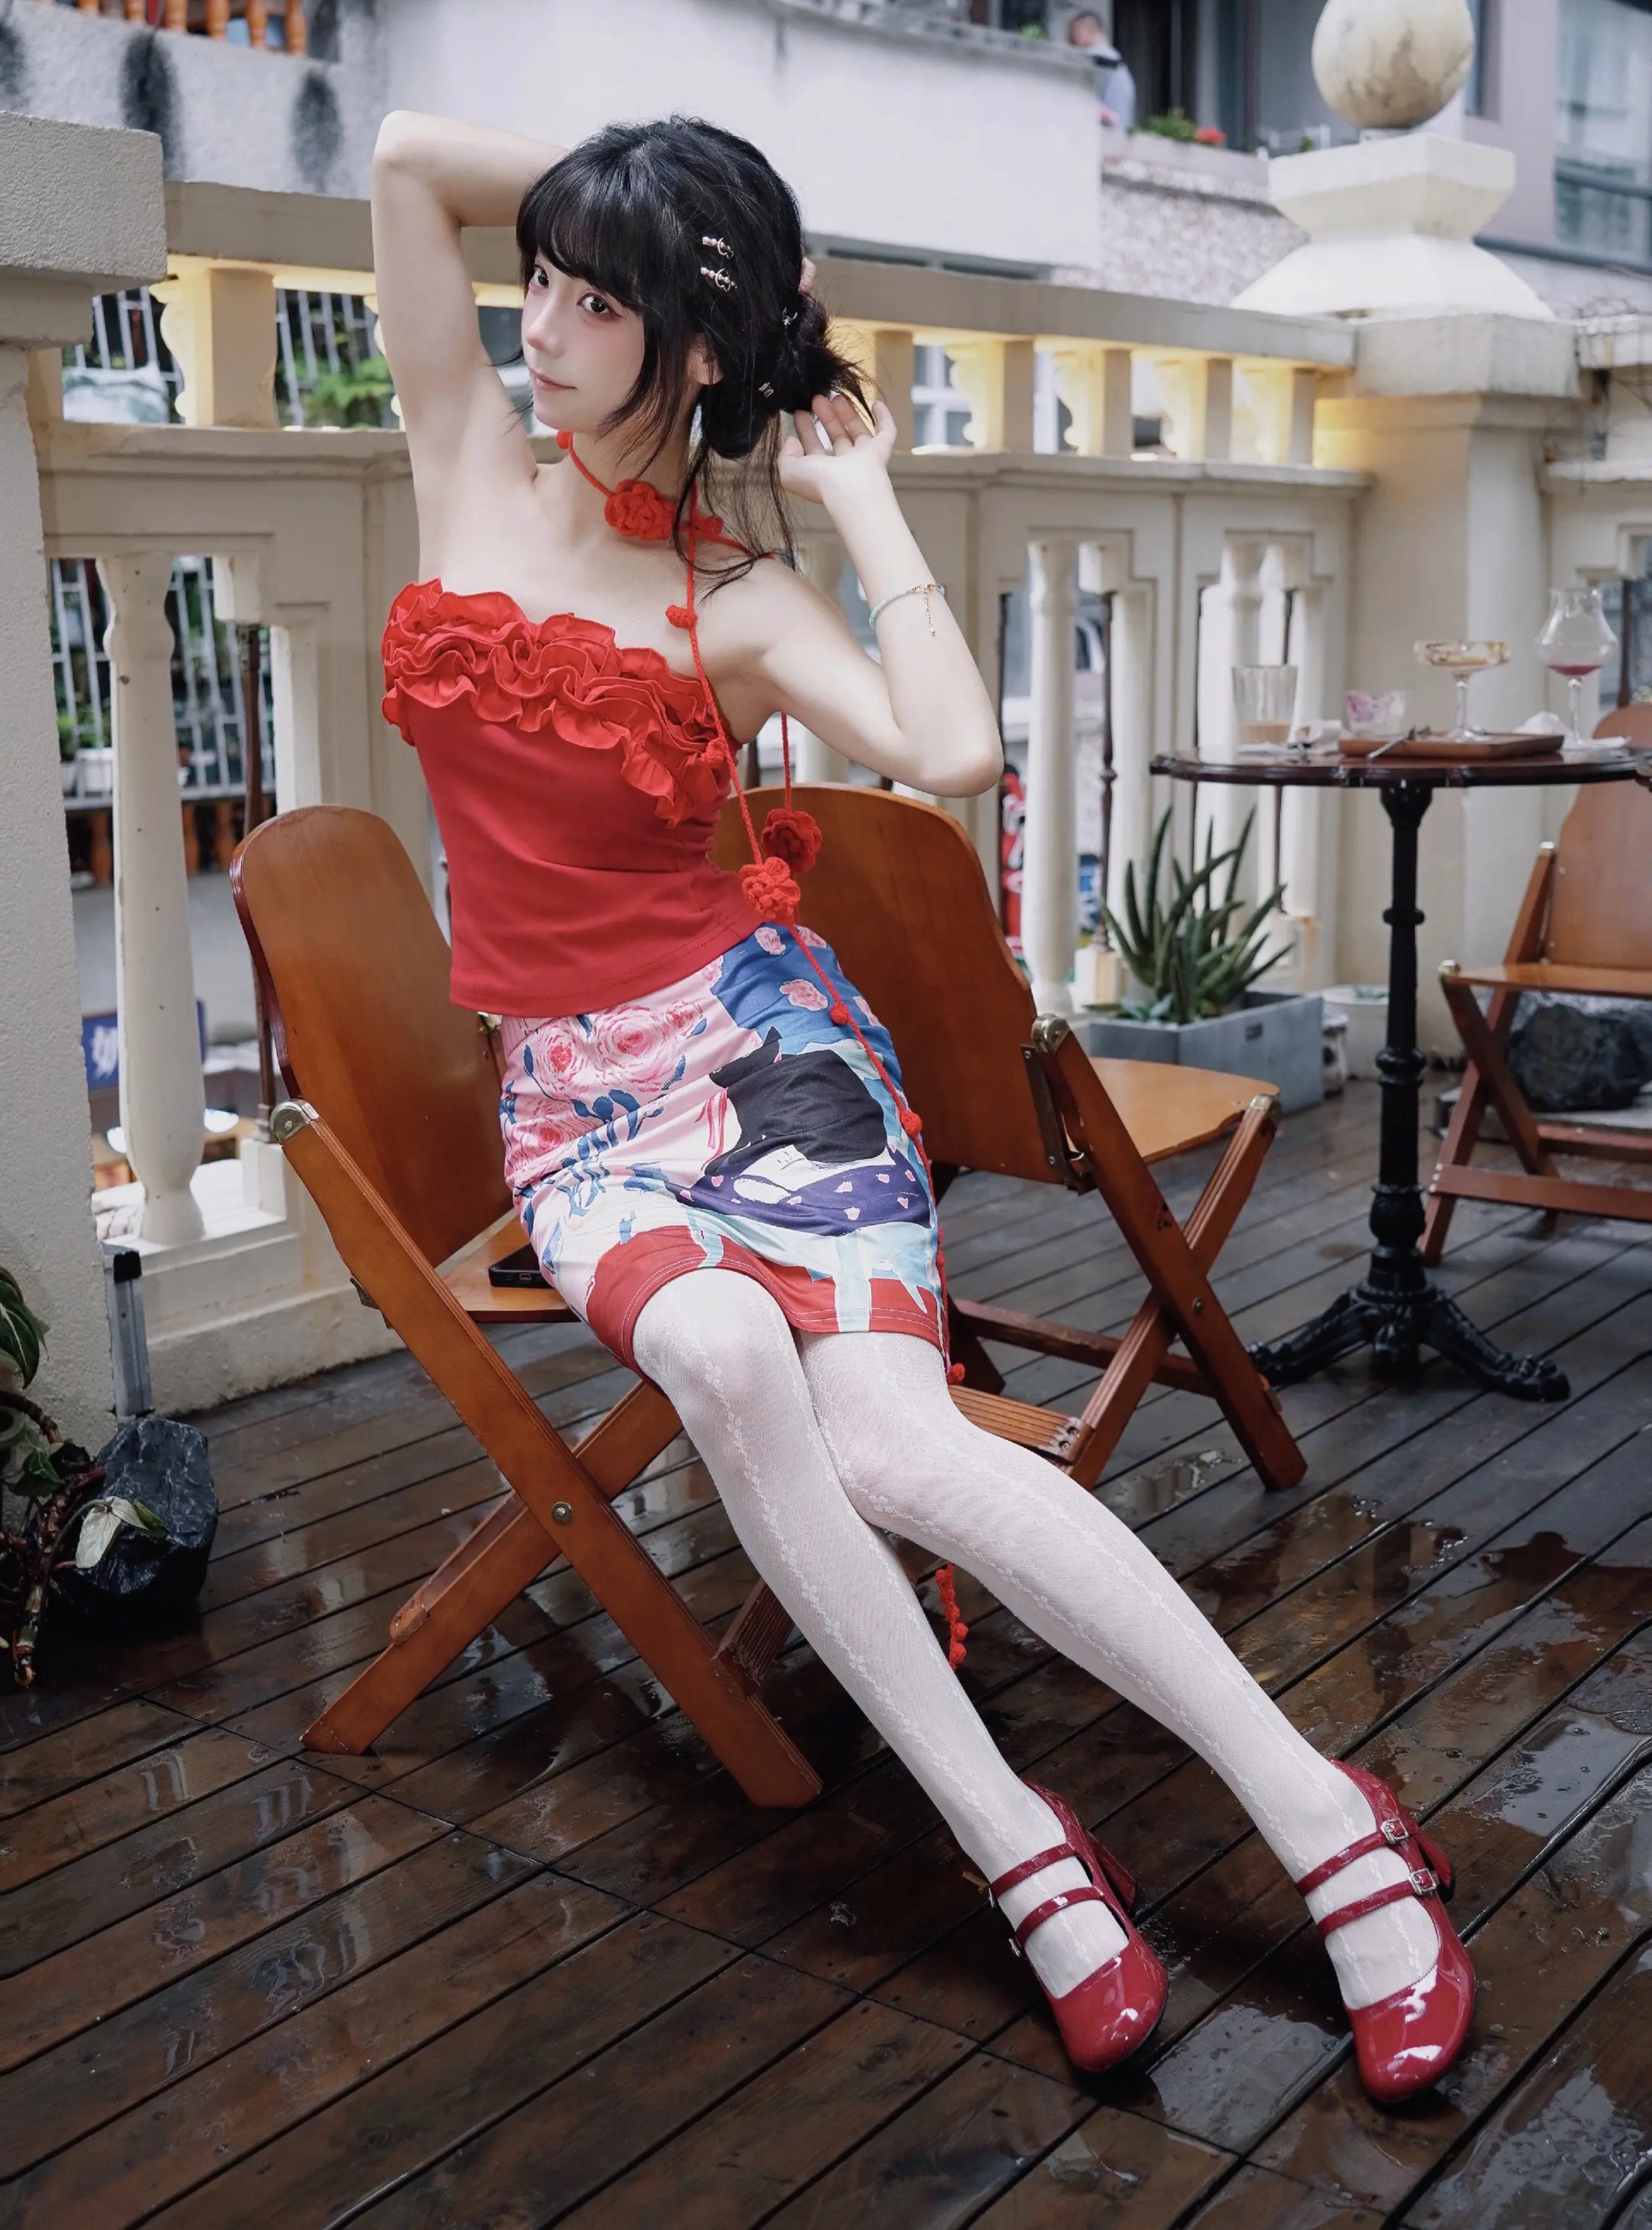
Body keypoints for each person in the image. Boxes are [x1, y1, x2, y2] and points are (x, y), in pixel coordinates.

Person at [369, 107, 1475, 2101]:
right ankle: (1018, 1842)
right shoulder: (462, 448)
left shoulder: (735, 595)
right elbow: (397, 152)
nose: (535, 325)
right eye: (535, 280)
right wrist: (651, 212)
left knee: (890, 1440)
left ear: (697, 347)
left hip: (766, 1057)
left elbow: (956, 750)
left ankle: (1325, 1814)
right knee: (717, 1349)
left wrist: (863, 500)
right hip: (578, 1104)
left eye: (593, 304)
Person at [1067, 8, 1137, 130]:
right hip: (1119, 131)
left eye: (1074, 33)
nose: (1072, 41)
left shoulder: (1096, 58)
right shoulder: (1115, 60)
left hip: (1104, 132)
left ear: (1083, 30)